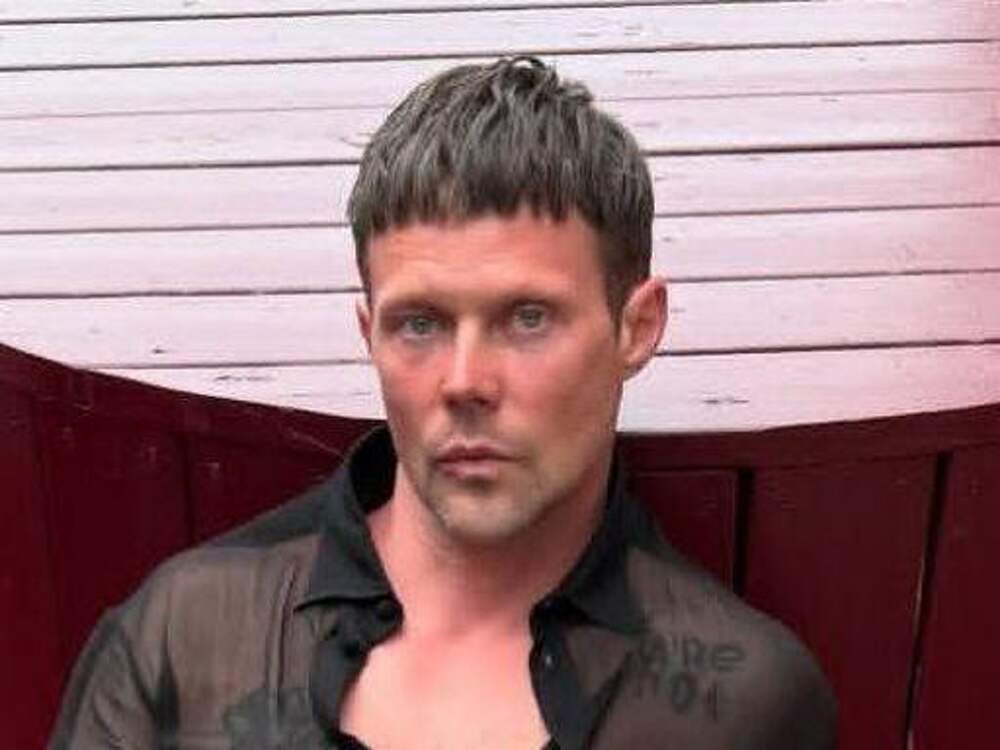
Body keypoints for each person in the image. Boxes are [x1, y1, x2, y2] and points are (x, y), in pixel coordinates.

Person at [50, 57, 835, 749]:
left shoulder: (743, 702)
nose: (464, 381)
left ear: (638, 327)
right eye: (419, 324)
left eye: (528, 318)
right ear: (369, 335)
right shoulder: (188, 634)